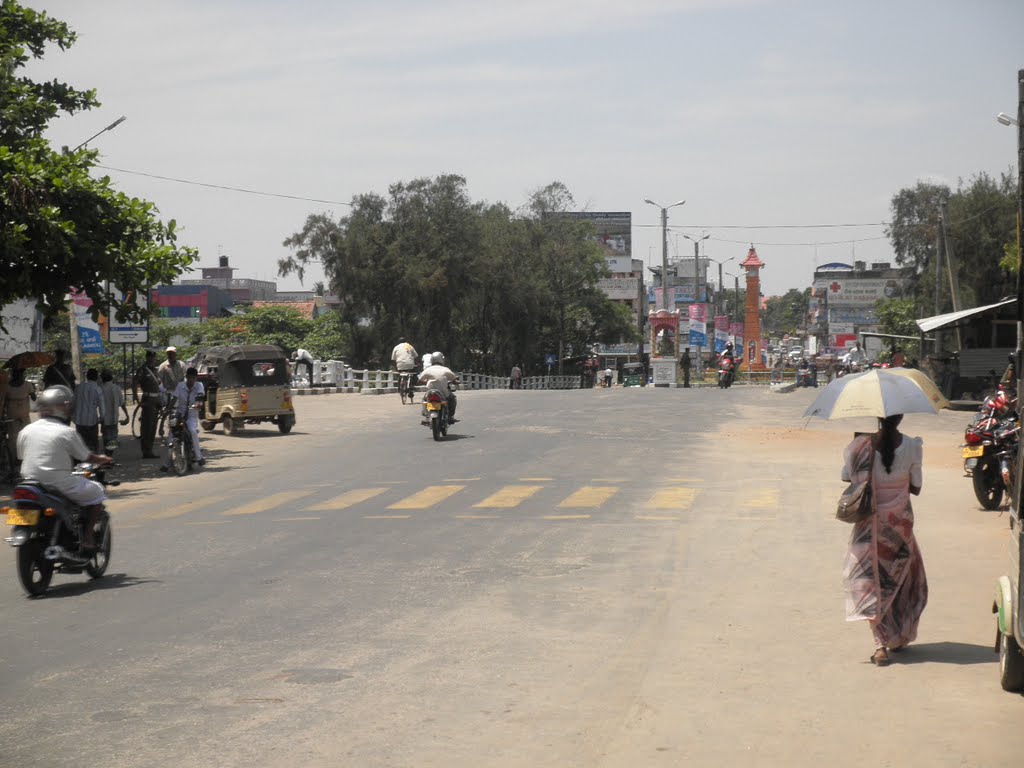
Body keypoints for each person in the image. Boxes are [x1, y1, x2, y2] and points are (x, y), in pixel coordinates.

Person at [841, 414, 928, 667]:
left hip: (869, 527)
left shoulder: (859, 447)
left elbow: (847, 478)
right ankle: (898, 635)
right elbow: (916, 487)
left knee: (870, 582)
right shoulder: (913, 446)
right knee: (901, 581)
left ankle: (880, 645)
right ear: (901, 417)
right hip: (900, 527)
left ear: (877, 418)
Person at [17, 386, 112, 550]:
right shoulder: (66, 432)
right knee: (97, 492)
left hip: (29, 483)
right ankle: (88, 538)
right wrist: (103, 459)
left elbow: (21, 456)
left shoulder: (26, 430)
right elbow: (86, 457)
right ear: (63, 407)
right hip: (58, 484)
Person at [163, 366, 206, 469]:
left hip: (191, 414)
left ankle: (199, 457)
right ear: (186, 377)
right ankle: (168, 463)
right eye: (189, 377)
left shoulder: (199, 386)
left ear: (196, 378)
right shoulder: (180, 386)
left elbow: (201, 398)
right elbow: (174, 398)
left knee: (192, 431)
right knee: (171, 435)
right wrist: (168, 409)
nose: (191, 380)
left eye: (193, 378)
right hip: (180, 414)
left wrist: (199, 404)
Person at [3, 366, 36, 468]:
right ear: (22, 374)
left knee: (13, 438)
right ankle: (23, 459)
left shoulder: (7, 386)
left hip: (12, 416)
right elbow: (34, 398)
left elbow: (3, 402)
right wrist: (32, 390)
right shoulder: (27, 385)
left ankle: (15, 460)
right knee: (25, 436)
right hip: (23, 415)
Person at [132, 350, 162, 458]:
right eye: (150, 357)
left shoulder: (155, 370)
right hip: (147, 400)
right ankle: (145, 450)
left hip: (155, 401)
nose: (152, 359)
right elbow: (134, 384)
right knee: (147, 427)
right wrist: (137, 399)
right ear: (147, 357)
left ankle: (150, 449)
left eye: (154, 357)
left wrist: (160, 401)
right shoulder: (143, 370)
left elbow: (158, 387)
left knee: (153, 426)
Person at [419, 351, 459, 423]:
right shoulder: (446, 369)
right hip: (443, 393)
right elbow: (454, 379)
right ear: (441, 359)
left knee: (424, 400)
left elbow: (420, 380)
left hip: (430, 392)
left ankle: (427, 416)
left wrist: (427, 382)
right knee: (452, 399)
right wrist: (456, 382)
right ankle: (450, 416)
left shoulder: (427, 369)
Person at [99, 369, 129, 460]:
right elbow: (122, 403)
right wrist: (127, 415)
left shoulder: (100, 388)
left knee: (106, 438)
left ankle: (106, 457)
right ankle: (109, 456)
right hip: (114, 418)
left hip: (104, 418)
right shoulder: (116, 388)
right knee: (113, 438)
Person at [72, 368, 105, 451]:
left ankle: (82, 460)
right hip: (92, 421)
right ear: (97, 377)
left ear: (87, 376)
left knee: (81, 444)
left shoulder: (78, 388)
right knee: (93, 443)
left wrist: (73, 418)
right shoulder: (97, 389)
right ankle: (93, 460)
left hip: (79, 421)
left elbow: (73, 404)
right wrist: (102, 418)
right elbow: (102, 407)